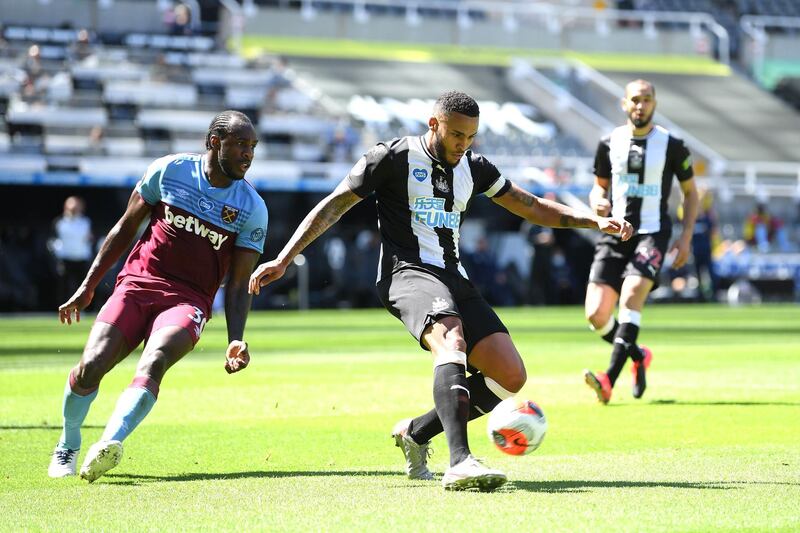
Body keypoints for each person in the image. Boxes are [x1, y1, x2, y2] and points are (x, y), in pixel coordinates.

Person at [248, 91, 632, 491]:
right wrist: (284, 257)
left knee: (509, 375)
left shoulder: (475, 167)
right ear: (434, 124)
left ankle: (415, 433)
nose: (463, 144)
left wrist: (592, 222)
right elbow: (334, 204)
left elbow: (531, 205)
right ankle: (460, 461)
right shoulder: (392, 157)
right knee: (452, 339)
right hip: (406, 272)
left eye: (471, 137)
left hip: (454, 276)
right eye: (457, 134)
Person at [48, 110, 268, 482]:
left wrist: (235, 338)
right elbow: (125, 228)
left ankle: (109, 444)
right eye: (241, 144)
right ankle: (68, 444)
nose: (249, 154)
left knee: (155, 362)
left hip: (189, 301)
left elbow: (237, 283)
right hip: (137, 283)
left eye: (253, 147)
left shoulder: (252, 208)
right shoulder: (169, 170)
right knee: (91, 366)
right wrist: (88, 286)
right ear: (216, 142)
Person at [583, 79, 698, 404]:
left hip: (652, 233)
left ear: (654, 104)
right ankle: (637, 354)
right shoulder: (609, 142)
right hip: (615, 234)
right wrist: (597, 203)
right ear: (624, 104)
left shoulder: (672, 145)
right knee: (596, 315)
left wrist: (685, 236)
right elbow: (598, 187)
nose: (640, 105)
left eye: (646, 99)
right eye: (635, 99)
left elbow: (691, 194)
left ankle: (608, 379)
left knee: (631, 296)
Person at [51, 196, 94, 305]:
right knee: (64, 287)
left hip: (82, 259)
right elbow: (53, 240)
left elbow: (90, 238)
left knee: (82, 286)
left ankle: (81, 308)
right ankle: (63, 308)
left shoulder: (86, 222)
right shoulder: (59, 222)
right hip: (65, 259)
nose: (74, 209)